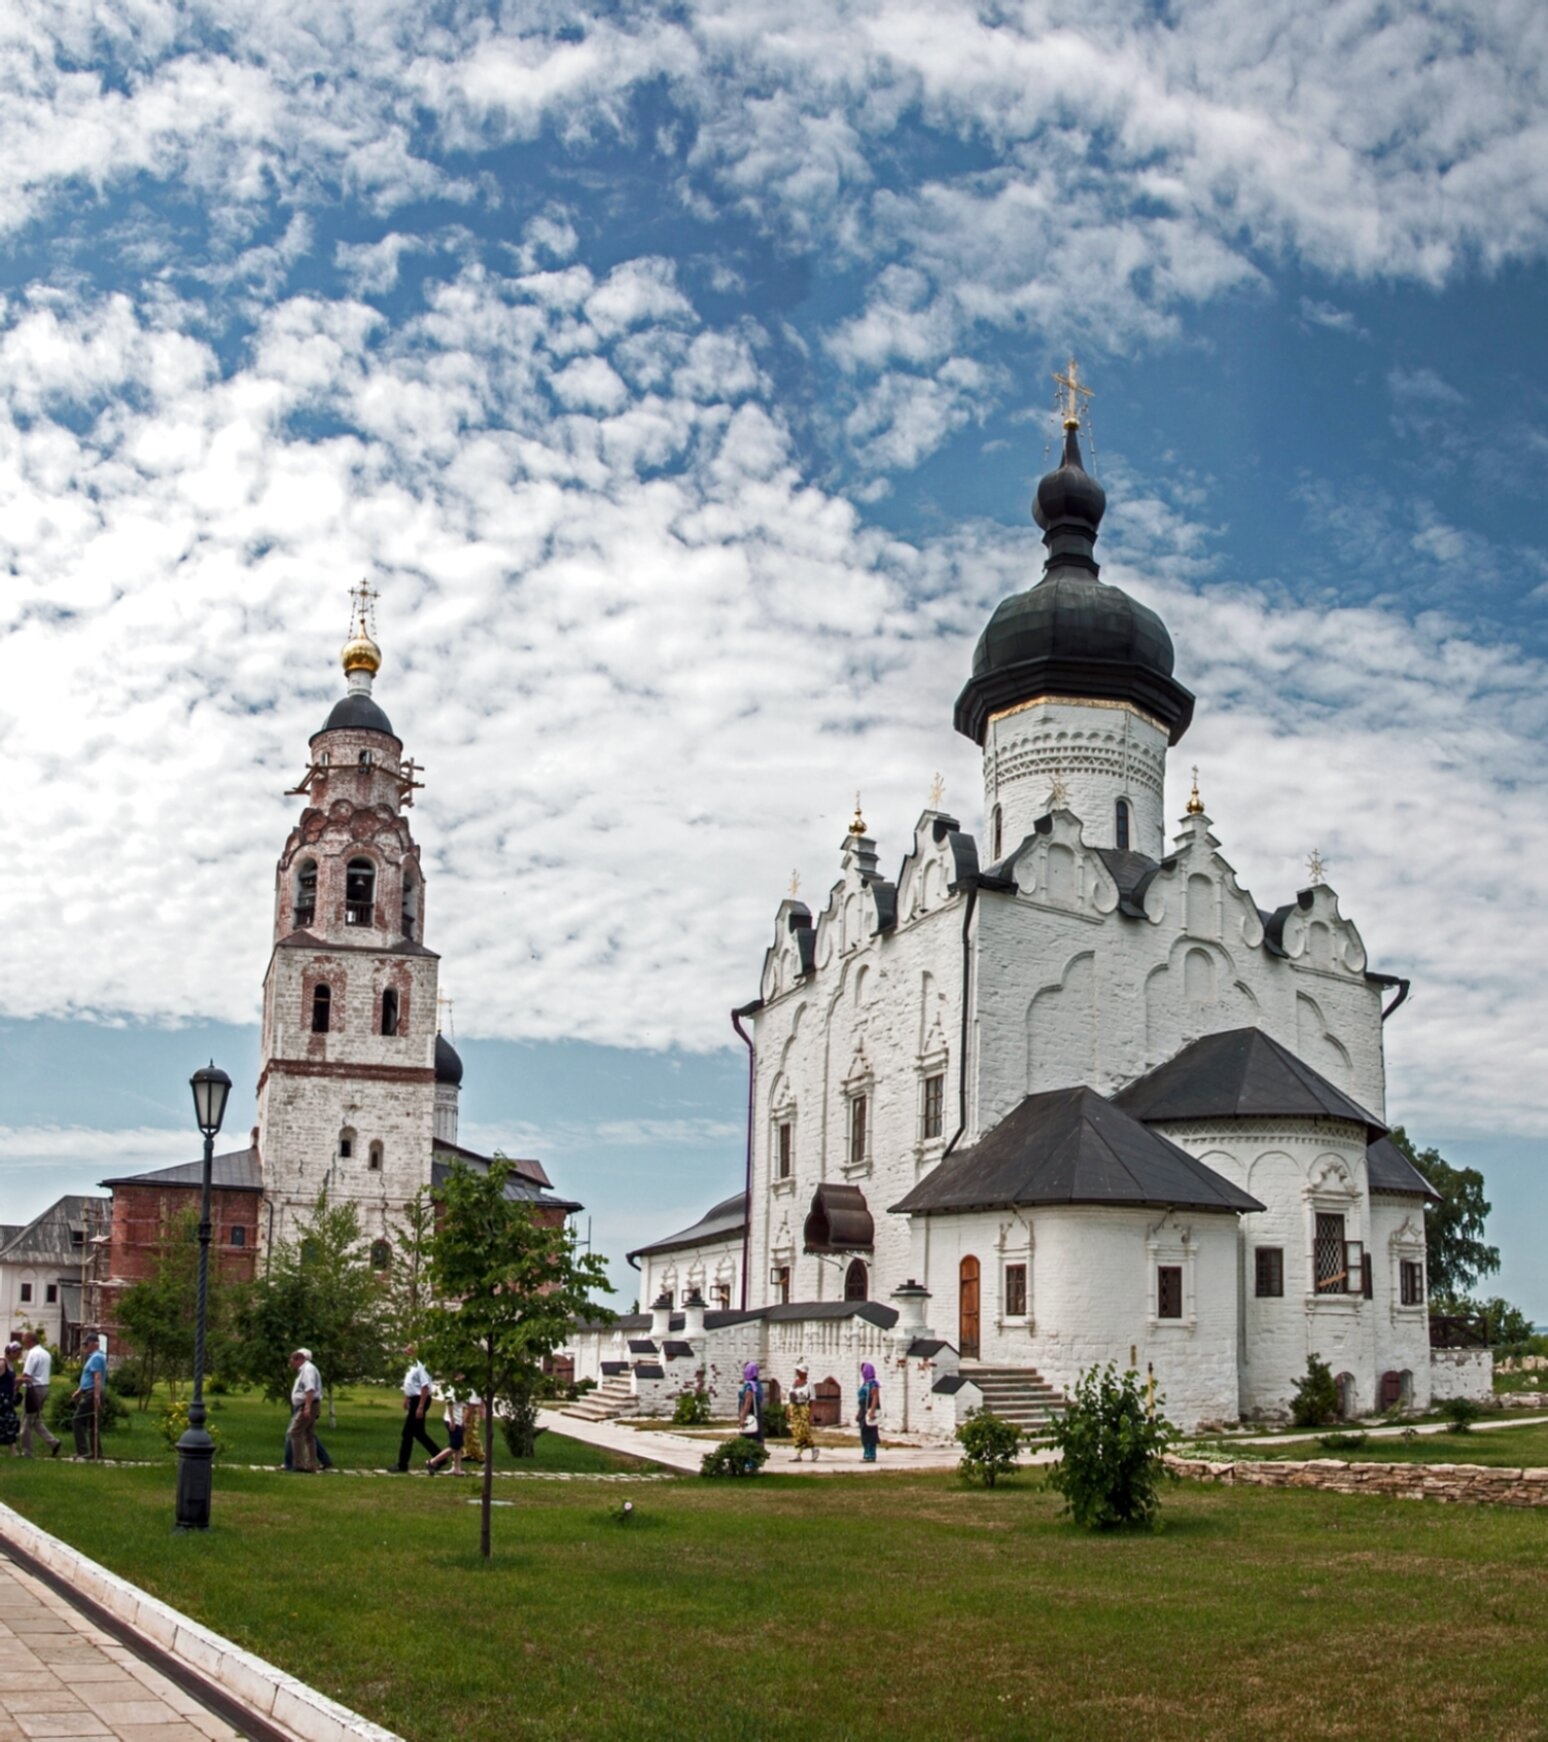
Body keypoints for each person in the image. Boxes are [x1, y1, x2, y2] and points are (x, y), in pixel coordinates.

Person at [396, 1343, 441, 1472]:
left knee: (407, 1433)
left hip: (420, 1400)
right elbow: (410, 1384)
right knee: (419, 1433)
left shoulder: (421, 1366)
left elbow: (425, 1386)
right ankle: (440, 1458)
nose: (406, 1351)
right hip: (413, 1399)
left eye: (409, 1349)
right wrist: (406, 1398)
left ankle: (402, 1465)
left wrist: (420, 1406)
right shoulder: (412, 1365)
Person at [19, 1330, 60, 1458]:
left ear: (30, 1341)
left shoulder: (33, 1353)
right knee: (35, 1420)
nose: (23, 1344)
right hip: (44, 1387)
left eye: (24, 1341)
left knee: (26, 1421)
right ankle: (53, 1442)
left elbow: (27, 1374)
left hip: (34, 1389)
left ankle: (27, 1452)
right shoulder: (45, 1353)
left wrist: (16, 1385)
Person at [71, 1332, 107, 1460]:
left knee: (77, 1420)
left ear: (94, 1344)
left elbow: (97, 1377)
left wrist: (96, 1397)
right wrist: (79, 1391)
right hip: (90, 1391)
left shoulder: (96, 1357)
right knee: (92, 1424)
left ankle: (83, 1451)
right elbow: (88, 1377)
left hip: (92, 1393)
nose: (85, 1347)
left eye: (86, 1344)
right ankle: (96, 1452)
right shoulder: (94, 1357)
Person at [287, 1348, 321, 1473]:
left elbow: (310, 1389)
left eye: (293, 1362)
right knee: (309, 1435)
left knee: (295, 1432)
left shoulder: (307, 1370)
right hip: (311, 1404)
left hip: (308, 1405)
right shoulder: (305, 1370)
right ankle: (311, 1464)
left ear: (300, 1359)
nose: (293, 1365)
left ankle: (299, 1463)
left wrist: (307, 1407)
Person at [426, 1386, 466, 1476]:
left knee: (458, 1446)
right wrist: (452, 1419)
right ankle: (432, 1462)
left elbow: (462, 1406)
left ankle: (457, 1468)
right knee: (454, 1446)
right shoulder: (452, 1388)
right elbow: (450, 1404)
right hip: (452, 1420)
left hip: (458, 1420)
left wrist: (463, 1420)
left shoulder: (463, 1389)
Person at [788, 1361, 817, 1462]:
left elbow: (812, 1399)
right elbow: (790, 1397)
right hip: (794, 1409)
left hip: (803, 1409)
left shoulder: (809, 1384)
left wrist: (812, 1414)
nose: (797, 1372)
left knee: (803, 1430)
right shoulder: (794, 1383)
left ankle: (813, 1448)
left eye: (799, 1371)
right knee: (795, 1431)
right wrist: (788, 1410)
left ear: (804, 1372)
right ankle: (798, 1453)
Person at [856, 1361, 881, 1463]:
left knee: (870, 1433)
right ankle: (866, 1453)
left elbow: (875, 1397)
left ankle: (871, 1454)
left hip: (869, 1411)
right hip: (863, 1410)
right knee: (864, 1433)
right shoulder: (865, 1383)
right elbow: (861, 1401)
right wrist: (858, 1413)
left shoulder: (873, 1384)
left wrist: (872, 1411)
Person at [0, 1344, 22, 1455]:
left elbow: (11, 1380)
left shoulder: (11, 1364)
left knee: (11, 1422)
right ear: (10, 1352)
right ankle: (12, 1449)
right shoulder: (2, 1363)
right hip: (1, 1397)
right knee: (8, 1421)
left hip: (8, 1397)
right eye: (17, 1353)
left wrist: (18, 1385)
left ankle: (12, 1448)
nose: (18, 1355)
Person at [737, 1361, 764, 1445]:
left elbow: (748, 1403)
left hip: (750, 1413)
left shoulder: (750, 1386)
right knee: (757, 1434)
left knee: (749, 1433)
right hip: (757, 1413)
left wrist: (742, 1417)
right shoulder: (757, 1384)